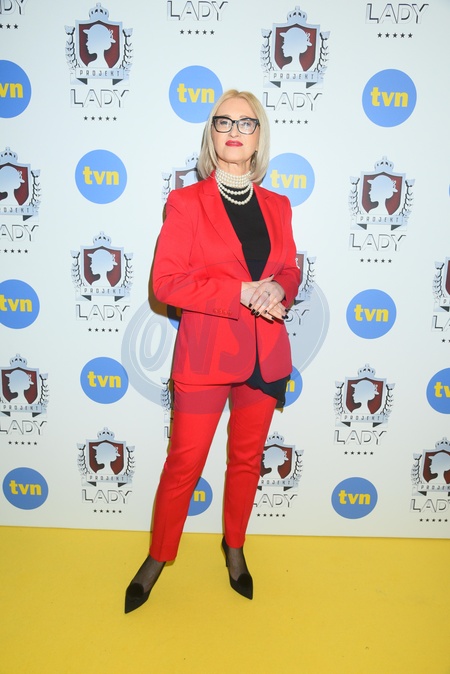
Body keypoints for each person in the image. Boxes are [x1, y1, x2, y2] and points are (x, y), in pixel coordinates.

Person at [124, 89, 300, 613]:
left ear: (258, 137)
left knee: (246, 461)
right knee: (184, 463)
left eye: (246, 122)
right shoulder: (186, 202)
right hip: (205, 357)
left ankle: (235, 547)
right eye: (223, 121)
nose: (234, 130)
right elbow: (166, 284)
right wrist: (239, 292)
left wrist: (280, 287)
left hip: (265, 355)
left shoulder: (278, 206)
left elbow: (289, 268)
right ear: (212, 134)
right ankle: (159, 556)